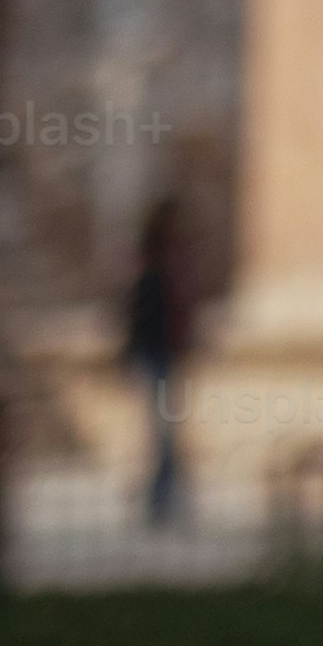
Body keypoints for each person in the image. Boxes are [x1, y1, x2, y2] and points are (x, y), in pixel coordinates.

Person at [120, 189, 194, 527]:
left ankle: (166, 498)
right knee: (164, 432)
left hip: (167, 352)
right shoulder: (154, 264)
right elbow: (142, 312)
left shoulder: (171, 261)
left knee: (167, 430)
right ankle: (161, 500)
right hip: (157, 352)